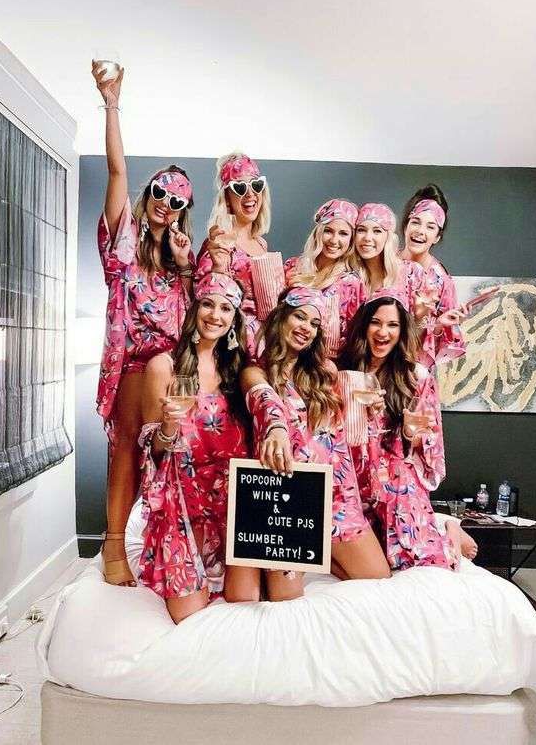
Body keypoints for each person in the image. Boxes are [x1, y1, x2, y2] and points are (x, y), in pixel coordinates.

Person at [92, 62, 195, 586]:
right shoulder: (124, 242)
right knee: (127, 445)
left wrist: (184, 263)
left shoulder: (182, 255)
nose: (166, 204)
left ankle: (168, 544)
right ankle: (113, 550)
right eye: (160, 193)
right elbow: (116, 174)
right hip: (134, 361)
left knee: (173, 451)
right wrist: (112, 103)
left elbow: (208, 317)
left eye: (177, 201)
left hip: (176, 370)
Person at [226, 287, 391, 603]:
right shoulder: (254, 370)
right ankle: (304, 557)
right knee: (286, 603)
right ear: (281, 318)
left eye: (314, 323)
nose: (305, 328)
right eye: (299, 316)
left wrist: (371, 414)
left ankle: (323, 556)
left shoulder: (324, 372)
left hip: (336, 496)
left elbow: (344, 434)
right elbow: (264, 399)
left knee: (378, 581)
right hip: (286, 498)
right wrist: (276, 429)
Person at [337, 289, 477, 571]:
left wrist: (412, 436)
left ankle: (448, 531)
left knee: (416, 561)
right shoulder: (342, 371)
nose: (383, 332)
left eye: (392, 325)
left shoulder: (416, 376)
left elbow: (430, 438)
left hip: (395, 475)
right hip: (352, 471)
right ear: (364, 325)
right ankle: (436, 524)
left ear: (402, 331)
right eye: (376, 322)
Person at [138, 273, 250, 623]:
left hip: (231, 504)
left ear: (234, 320)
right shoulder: (163, 366)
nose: (216, 314)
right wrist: (169, 428)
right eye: (208, 304)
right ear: (194, 309)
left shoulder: (238, 370)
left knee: (245, 603)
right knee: (189, 616)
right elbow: (152, 455)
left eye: (226, 308)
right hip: (182, 504)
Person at [195, 152, 273, 358]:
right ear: (227, 199)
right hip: (234, 346)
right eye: (239, 188)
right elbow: (203, 299)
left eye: (256, 186)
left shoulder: (261, 244)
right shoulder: (220, 242)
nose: (250, 195)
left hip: (267, 344)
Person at [284, 199, 364, 358]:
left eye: (343, 233)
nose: (334, 240)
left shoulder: (351, 283)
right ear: (318, 232)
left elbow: (355, 337)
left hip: (324, 363)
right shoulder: (293, 266)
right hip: (285, 354)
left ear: (351, 240)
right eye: (328, 231)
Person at [399, 184, 467, 368]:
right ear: (405, 225)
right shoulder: (385, 265)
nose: (420, 231)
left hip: (414, 375)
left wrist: (438, 325)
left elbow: (442, 348)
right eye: (415, 222)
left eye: (430, 227)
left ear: (437, 237)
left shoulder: (441, 281)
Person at [349, 202, 425, 314]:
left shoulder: (412, 274)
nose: (367, 238)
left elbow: (423, 324)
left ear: (388, 237)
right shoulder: (349, 279)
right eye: (361, 230)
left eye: (377, 231)